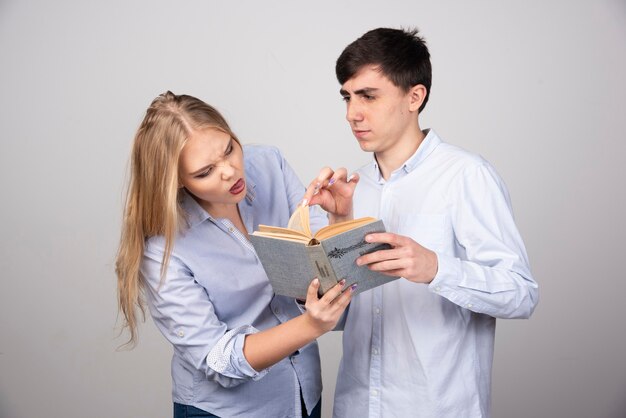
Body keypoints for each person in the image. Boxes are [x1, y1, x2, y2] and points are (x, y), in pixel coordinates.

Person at [302, 28, 539, 417]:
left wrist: (436, 268)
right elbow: (345, 317)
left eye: (368, 96)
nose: (351, 113)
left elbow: (521, 294)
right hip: (356, 406)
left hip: (437, 407)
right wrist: (337, 226)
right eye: (347, 97)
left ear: (415, 96)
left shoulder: (467, 176)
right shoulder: (348, 191)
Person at [115, 91, 354, 418]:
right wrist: (311, 326)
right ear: (177, 181)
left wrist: (338, 221)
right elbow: (218, 360)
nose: (230, 172)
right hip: (227, 411)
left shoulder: (269, 164)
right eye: (204, 172)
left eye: (229, 149)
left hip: (302, 395)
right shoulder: (162, 247)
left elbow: (317, 265)